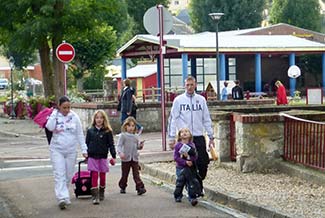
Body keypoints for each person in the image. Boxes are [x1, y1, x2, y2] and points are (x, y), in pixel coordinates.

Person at [168, 76, 215, 196]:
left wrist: (211, 136)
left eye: (191, 85)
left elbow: (206, 118)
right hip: (185, 138)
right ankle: (194, 188)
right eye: (187, 85)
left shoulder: (201, 100)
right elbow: (173, 119)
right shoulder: (179, 100)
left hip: (198, 136)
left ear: (195, 85)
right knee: (189, 164)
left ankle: (197, 182)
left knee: (203, 163)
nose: (189, 87)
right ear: (185, 86)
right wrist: (172, 137)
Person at [45, 96, 88, 210]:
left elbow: (79, 134)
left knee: (68, 175)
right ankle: (62, 198)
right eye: (64, 107)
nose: (66, 110)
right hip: (57, 149)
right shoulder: (54, 116)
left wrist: (84, 149)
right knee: (59, 174)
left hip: (71, 150)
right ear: (59, 106)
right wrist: (54, 114)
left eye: (68, 107)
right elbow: (49, 127)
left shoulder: (74, 117)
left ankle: (64, 194)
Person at [86, 110, 116, 205]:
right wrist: (86, 154)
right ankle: (95, 195)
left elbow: (111, 144)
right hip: (92, 156)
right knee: (94, 175)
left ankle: (101, 191)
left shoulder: (108, 131)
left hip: (103, 156)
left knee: (102, 176)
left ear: (104, 119)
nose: (99, 120)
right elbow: (86, 143)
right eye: (97, 117)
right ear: (94, 119)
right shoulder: (90, 131)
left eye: (101, 118)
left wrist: (113, 155)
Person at [117, 116, 146, 195]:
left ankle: (140, 187)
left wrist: (140, 146)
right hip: (125, 158)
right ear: (125, 126)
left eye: (133, 126)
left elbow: (137, 147)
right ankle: (122, 186)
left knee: (136, 174)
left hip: (134, 158)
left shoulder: (136, 136)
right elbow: (119, 146)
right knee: (125, 174)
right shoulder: (123, 136)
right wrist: (120, 153)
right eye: (129, 126)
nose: (131, 128)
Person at [174, 128, 201, 206]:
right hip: (180, 167)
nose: (184, 133)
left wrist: (189, 159)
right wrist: (184, 162)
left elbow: (195, 156)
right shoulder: (178, 145)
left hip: (189, 168)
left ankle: (192, 197)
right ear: (179, 135)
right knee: (180, 182)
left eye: (186, 131)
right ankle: (178, 195)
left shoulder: (192, 145)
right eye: (182, 132)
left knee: (190, 182)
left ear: (190, 134)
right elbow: (176, 157)